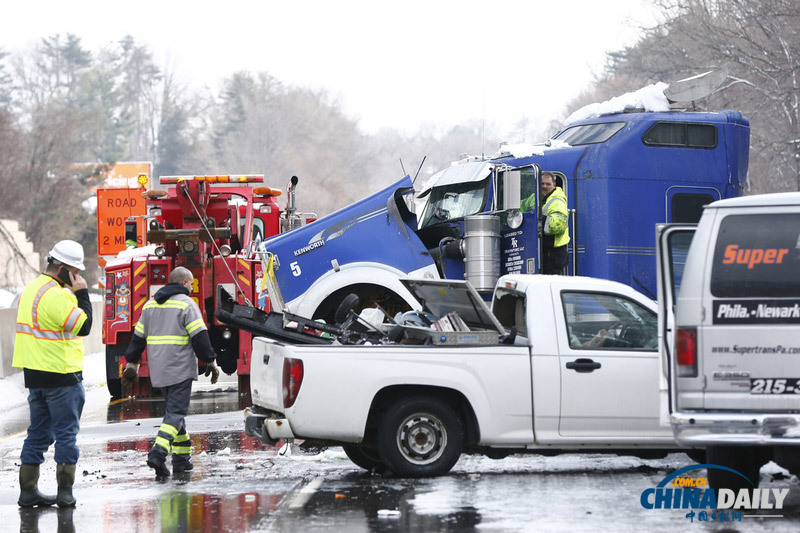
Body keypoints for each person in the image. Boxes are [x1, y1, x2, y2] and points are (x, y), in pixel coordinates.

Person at [13, 239, 92, 508]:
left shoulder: (30, 290)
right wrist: (82, 294)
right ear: (62, 269)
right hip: (62, 376)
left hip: (35, 376)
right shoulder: (57, 295)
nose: (78, 277)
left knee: (37, 433)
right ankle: (65, 492)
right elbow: (84, 326)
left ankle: (28, 492)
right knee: (66, 434)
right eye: (75, 272)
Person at [122, 266, 220, 478]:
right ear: (184, 283)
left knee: (176, 416)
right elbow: (200, 337)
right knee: (176, 414)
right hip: (180, 369)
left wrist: (132, 364)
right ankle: (158, 452)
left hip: (159, 370)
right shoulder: (187, 304)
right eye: (192, 283)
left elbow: (137, 338)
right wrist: (211, 361)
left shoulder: (149, 305)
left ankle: (181, 460)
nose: (192, 287)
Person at [523, 171, 570, 274]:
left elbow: (557, 226)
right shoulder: (534, 197)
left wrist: (538, 219)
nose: (544, 186)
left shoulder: (558, 202)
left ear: (554, 185)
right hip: (540, 249)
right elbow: (521, 207)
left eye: (548, 184)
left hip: (553, 253)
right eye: (542, 183)